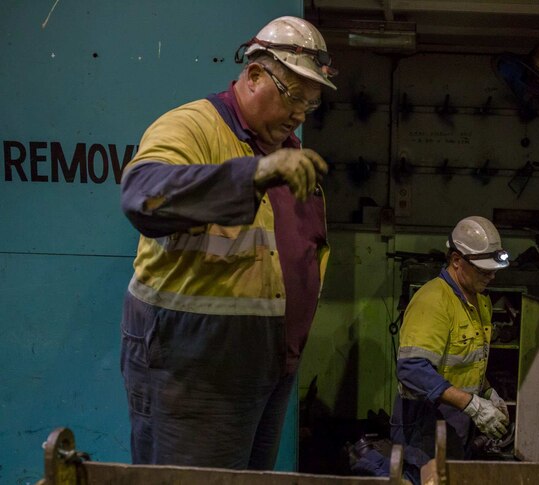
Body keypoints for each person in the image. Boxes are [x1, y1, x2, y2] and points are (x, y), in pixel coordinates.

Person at [119, 16, 337, 470]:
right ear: (255, 75)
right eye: (294, 96)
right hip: (195, 367)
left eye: (310, 104)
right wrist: (252, 174)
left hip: (266, 366)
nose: (299, 113)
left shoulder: (288, 150)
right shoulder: (193, 127)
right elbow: (143, 195)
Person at [391, 216, 511, 484]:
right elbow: (412, 369)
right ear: (457, 260)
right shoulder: (433, 301)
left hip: (459, 422)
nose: (491, 276)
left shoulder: (480, 301)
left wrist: (487, 392)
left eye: (493, 270)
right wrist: (473, 405)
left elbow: (468, 360)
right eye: (483, 270)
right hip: (425, 425)